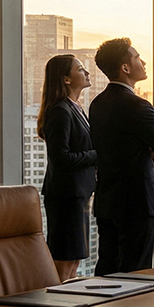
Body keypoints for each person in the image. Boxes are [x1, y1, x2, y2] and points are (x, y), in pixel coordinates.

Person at [89, 38, 154, 275]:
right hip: (137, 201)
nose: (144, 62)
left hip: (107, 199)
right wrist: (149, 149)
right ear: (125, 68)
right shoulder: (138, 106)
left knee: (107, 268)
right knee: (136, 271)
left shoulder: (97, 104)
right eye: (138, 58)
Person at [38, 54, 97, 281]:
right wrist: (97, 155)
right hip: (65, 196)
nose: (86, 72)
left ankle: (66, 299)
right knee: (65, 260)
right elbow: (60, 158)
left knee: (74, 259)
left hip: (77, 194)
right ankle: (58, 300)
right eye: (80, 69)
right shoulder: (60, 111)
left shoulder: (75, 108)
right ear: (66, 79)